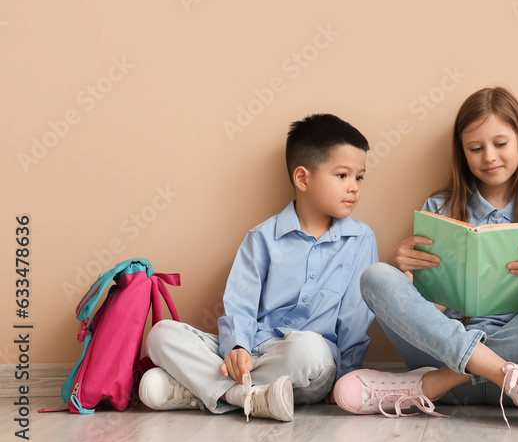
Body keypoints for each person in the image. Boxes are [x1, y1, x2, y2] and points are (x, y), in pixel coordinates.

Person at [333, 87, 518, 432]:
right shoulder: (437, 208)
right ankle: (490, 371)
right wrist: (403, 272)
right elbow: (427, 310)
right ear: (462, 152)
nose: (489, 157)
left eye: (500, 144)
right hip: (452, 355)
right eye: (475, 148)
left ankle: (430, 386)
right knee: (376, 275)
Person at [139, 113, 379, 422]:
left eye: (359, 177)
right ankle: (244, 396)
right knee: (161, 334)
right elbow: (240, 301)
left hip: (305, 363)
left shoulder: (360, 239)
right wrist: (237, 346)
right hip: (253, 350)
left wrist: (347, 377)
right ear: (303, 178)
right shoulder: (262, 238)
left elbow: (355, 319)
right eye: (343, 175)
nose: (354, 188)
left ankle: (207, 392)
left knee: (311, 351)